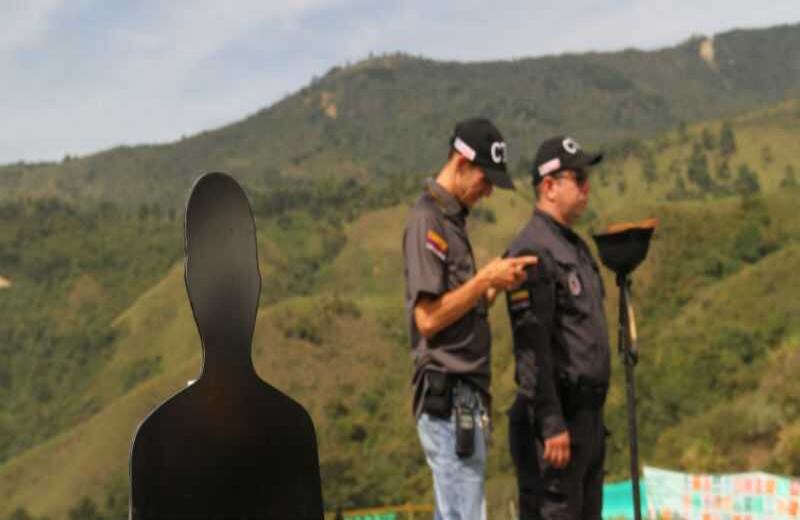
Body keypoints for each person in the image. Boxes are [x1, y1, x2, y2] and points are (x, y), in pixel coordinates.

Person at [402, 117, 537, 520]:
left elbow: (455, 310)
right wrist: (482, 281)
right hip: (449, 394)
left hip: (467, 394)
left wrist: (494, 286)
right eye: (485, 178)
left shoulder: (452, 221)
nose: (489, 190)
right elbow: (427, 318)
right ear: (461, 162)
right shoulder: (428, 219)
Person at [505, 136, 610, 520]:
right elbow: (532, 345)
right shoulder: (532, 250)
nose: (587, 188)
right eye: (578, 178)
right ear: (549, 186)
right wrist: (551, 423)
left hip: (587, 418)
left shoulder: (574, 247)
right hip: (557, 421)